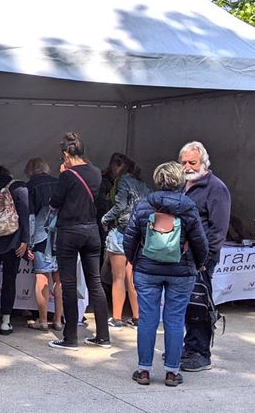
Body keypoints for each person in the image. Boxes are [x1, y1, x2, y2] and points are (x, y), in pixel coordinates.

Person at [123, 162, 208, 387]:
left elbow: (129, 239)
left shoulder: (144, 206)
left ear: (157, 180)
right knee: (175, 319)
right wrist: (198, 264)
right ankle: (171, 372)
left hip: (147, 270)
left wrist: (136, 261)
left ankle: (143, 370)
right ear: (180, 181)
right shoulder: (188, 207)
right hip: (181, 272)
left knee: (148, 319)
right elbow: (200, 242)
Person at [48, 132, 110, 350]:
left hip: (70, 231)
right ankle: (103, 336)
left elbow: (55, 202)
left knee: (69, 283)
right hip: (92, 231)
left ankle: (71, 337)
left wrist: (63, 174)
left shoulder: (67, 175)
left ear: (66, 154)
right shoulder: (95, 172)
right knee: (95, 282)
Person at [178, 141, 232, 372]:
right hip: (181, 256)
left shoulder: (216, 188)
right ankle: (188, 347)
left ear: (203, 163)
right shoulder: (183, 185)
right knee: (186, 305)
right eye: (184, 162)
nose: (188, 167)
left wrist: (205, 259)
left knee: (199, 304)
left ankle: (201, 352)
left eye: (193, 162)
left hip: (201, 259)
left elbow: (219, 228)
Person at [100, 153, 149, 329]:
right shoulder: (143, 185)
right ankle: (137, 318)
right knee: (133, 277)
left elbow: (120, 206)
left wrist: (105, 219)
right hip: (138, 233)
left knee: (118, 277)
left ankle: (117, 317)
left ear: (119, 167)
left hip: (121, 231)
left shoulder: (121, 182)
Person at [0, 165, 29, 335]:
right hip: (13, 244)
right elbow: (24, 216)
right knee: (9, 281)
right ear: (10, 175)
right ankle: (6, 322)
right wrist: (25, 240)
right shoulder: (19, 189)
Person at [23, 157, 63, 332]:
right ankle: (59, 320)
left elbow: (31, 218)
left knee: (41, 276)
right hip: (60, 236)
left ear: (30, 171)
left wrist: (29, 243)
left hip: (40, 236)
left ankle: (43, 320)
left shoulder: (30, 186)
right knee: (59, 278)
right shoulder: (59, 183)